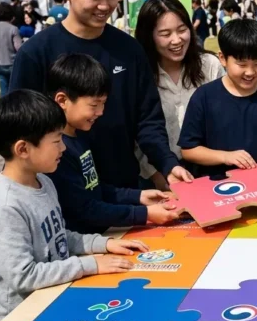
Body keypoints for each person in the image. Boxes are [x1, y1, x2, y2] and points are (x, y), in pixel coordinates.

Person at [10, 0, 193, 190]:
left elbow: (148, 120)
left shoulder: (129, 49)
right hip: (62, 191)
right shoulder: (36, 52)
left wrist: (168, 164)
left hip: (124, 186)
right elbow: (18, 127)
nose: (105, 6)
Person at [0, 90, 146, 321]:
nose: (64, 148)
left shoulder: (43, 181)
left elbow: (58, 236)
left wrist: (102, 244)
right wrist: (90, 265)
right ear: (23, 149)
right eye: (57, 141)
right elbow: (24, 276)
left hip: (50, 303)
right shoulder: (5, 208)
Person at [45, 53, 178, 235]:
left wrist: (139, 196)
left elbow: (94, 188)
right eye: (94, 105)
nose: (101, 112)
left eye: (104, 103)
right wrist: (143, 213)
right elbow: (85, 209)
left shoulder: (80, 134)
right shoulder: (56, 151)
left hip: (100, 233)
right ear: (62, 100)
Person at [179, 19, 257, 181]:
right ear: (222, 58)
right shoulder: (204, 97)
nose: (250, 72)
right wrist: (225, 157)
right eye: (241, 65)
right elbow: (189, 149)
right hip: (217, 191)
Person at [133, 0, 226, 189]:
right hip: (156, 177)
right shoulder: (140, 74)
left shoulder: (209, 67)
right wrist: (157, 174)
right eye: (165, 34)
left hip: (209, 173)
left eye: (182, 30)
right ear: (148, 36)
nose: (176, 40)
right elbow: (138, 131)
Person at [0, 4, 22, 98]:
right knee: (15, 90)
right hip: (12, 63)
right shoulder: (13, 28)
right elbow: (18, 47)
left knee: (3, 90)